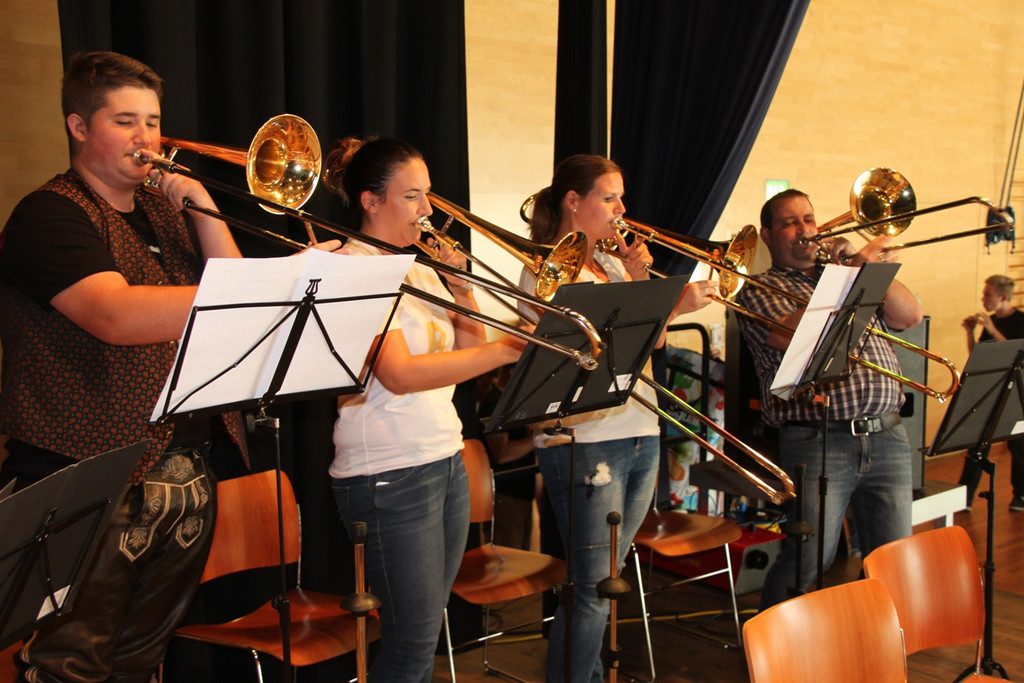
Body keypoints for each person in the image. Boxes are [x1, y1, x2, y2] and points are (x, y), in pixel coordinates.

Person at [0, 51, 253, 682]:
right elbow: (113, 315)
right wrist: (243, 299)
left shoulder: (170, 214)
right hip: (86, 477)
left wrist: (201, 206)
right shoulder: (49, 213)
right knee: (69, 665)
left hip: (185, 474)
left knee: (140, 663)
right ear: (79, 127)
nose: (147, 139)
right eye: (125, 121)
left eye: (154, 121)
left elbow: (240, 298)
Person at [320, 136, 526, 682]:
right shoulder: (349, 268)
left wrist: (462, 291)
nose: (428, 210)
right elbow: (400, 374)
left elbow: (466, 352)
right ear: (370, 201)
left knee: (424, 633)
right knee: (411, 645)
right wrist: (507, 347)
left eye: (427, 195)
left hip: (443, 457)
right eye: (413, 196)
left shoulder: (419, 268)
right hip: (387, 471)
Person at [520, 154, 716, 682]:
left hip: (638, 430)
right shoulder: (543, 270)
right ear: (573, 202)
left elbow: (648, 349)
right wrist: (671, 304)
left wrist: (638, 279)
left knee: (608, 580)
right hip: (583, 439)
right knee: (591, 587)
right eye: (610, 197)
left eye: (620, 197)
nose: (621, 209)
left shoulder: (610, 265)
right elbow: (584, 357)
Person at [736, 188, 923, 610]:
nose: (804, 230)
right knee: (809, 557)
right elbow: (787, 334)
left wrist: (871, 271)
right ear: (768, 235)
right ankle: (774, 652)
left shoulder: (846, 275)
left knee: (890, 556)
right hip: (819, 439)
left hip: (887, 433)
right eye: (789, 222)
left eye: (808, 219)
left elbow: (908, 316)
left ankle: (877, 645)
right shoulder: (760, 287)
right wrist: (849, 277)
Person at [958, 274, 1024, 510]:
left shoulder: (1020, 321)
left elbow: (1017, 355)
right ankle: (964, 496)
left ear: (1003, 297)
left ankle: (1021, 496)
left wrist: (992, 329)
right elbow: (979, 356)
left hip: (1017, 392)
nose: (983, 298)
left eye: (988, 294)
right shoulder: (991, 322)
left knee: (1018, 446)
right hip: (992, 389)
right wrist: (969, 332)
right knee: (978, 443)